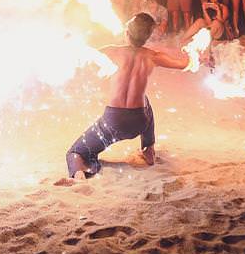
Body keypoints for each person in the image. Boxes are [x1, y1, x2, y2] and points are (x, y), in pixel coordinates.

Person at [63, 13, 193, 180]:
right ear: (146, 37)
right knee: (145, 101)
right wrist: (196, 55)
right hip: (139, 122)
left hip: (112, 124)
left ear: (127, 32)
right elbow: (183, 64)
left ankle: (79, 175)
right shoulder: (152, 56)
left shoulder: (112, 51)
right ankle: (148, 150)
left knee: (76, 152)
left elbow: (82, 55)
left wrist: (70, 42)